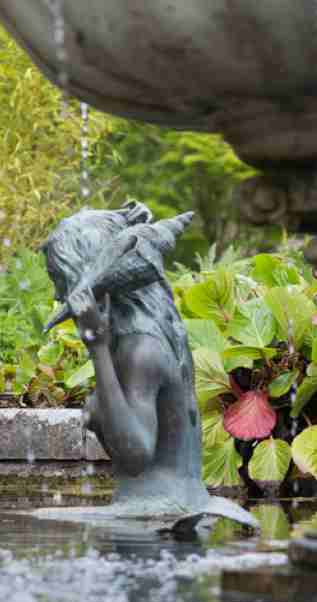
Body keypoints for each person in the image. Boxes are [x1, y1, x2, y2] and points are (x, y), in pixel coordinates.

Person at [41, 204, 211, 511]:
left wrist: (98, 349)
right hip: (175, 511)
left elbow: (135, 456)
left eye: (59, 278)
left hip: (152, 519)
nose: (57, 295)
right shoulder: (159, 337)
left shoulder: (139, 351)